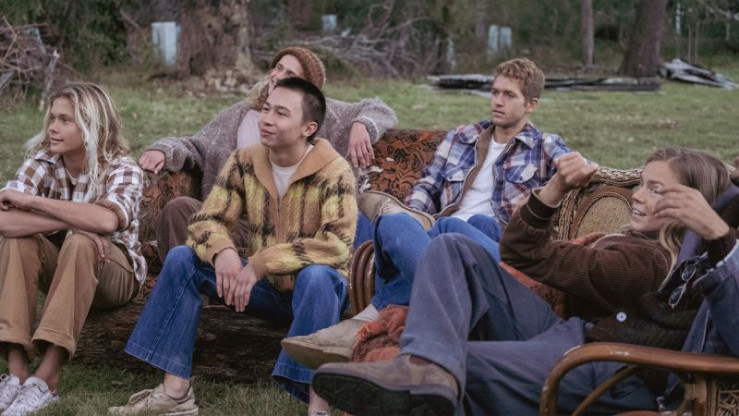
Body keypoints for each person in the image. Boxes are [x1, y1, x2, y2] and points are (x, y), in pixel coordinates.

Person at [312, 148, 739, 415]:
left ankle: (424, 368)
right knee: (452, 246)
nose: (638, 196)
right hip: (572, 336)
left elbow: (525, 255)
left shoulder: (650, 261)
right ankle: (422, 364)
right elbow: (517, 253)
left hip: (605, 367)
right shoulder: (652, 249)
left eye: (656, 190)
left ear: (693, 205)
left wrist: (717, 230)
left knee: (456, 365)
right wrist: (554, 189)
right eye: (642, 185)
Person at [282, 57, 571, 366]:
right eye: (495, 92)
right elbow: (426, 188)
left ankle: (364, 320)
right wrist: (414, 218)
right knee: (393, 222)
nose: (498, 101)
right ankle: (425, 289)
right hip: (436, 240)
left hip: (488, 244)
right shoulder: (462, 137)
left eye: (509, 95)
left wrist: (550, 192)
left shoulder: (545, 146)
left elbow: (582, 173)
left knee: (465, 224)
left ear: (531, 104)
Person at [108, 77, 357, 416]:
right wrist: (222, 251)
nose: (267, 119)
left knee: (317, 277)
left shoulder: (335, 170)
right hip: (267, 290)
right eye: (266, 109)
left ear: (308, 128)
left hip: (319, 295)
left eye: (281, 113)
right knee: (183, 258)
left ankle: (319, 406)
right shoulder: (245, 161)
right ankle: (176, 392)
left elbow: (337, 247)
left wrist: (260, 263)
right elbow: (205, 220)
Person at [143, 46, 396, 262]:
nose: (278, 76)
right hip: (240, 219)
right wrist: (165, 150)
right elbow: (197, 145)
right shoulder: (240, 115)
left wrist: (362, 124)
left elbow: (379, 108)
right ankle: (195, 289)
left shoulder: (327, 116)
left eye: (290, 74)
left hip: (296, 223)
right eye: (278, 67)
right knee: (179, 209)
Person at [0, 83, 145, 416]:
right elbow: (4, 220)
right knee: (19, 240)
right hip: (62, 262)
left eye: (65, 120)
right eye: (52, 118)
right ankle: (16, 373)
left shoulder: (123, 168)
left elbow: (106, 220)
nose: (53, 127)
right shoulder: (43, 162)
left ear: (93, 126)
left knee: (82, 242)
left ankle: (46, 380)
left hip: (115, 271)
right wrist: (75, 220)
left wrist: (34, 204)